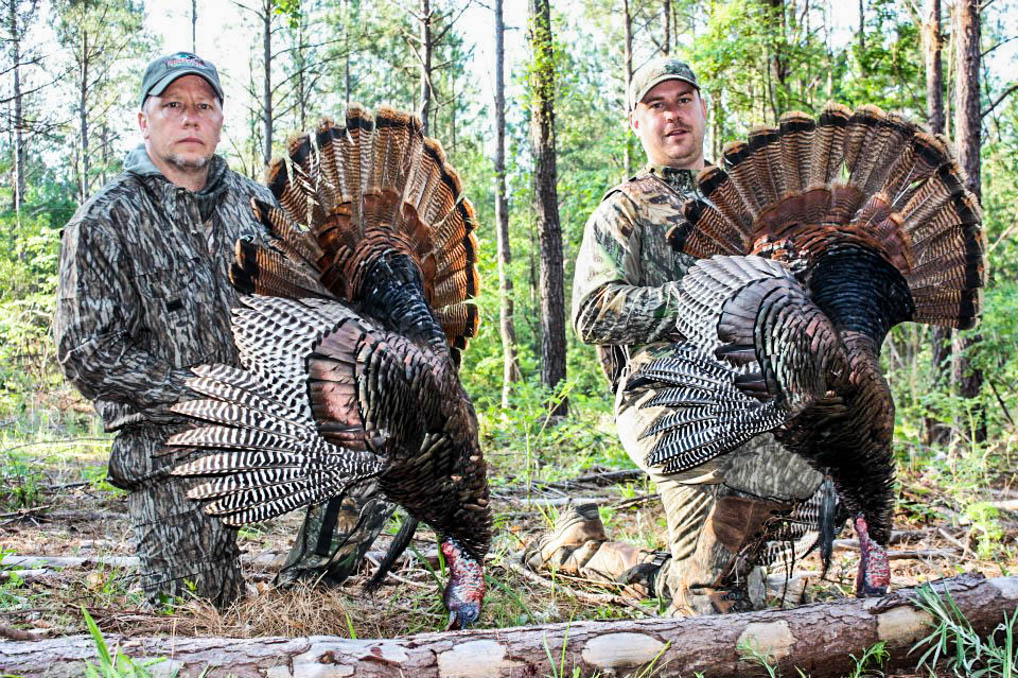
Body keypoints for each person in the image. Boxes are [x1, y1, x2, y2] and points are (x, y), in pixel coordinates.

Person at [54, 52, 389, 608]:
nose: (190, 118)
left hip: (280, 430)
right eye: (173, 106)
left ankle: (305, 598)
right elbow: (86, 352)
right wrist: (202, 398)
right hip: (175, 441)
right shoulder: (104, 219)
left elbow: (309, 312)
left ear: (219, 118)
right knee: (198, 615)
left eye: (203, 106)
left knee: (381, 456)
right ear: (145, 120)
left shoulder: (259, 207)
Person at [525, 58, 823, 616]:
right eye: (655, 105)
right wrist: (701, 298)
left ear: (703, 108)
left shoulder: (750, 203)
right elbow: (592, 313)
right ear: (635, 123)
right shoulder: (625, 210)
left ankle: (597, 551)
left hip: (755, 394)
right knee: (715, 607)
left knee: (734, 578)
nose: (672, 116)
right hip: (669, 400)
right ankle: (591, 557)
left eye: (682, 100)